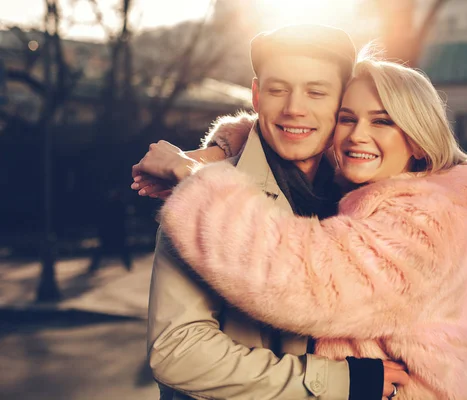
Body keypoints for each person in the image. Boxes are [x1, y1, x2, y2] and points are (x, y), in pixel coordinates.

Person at [157, 56, 467, 399]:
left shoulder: (429, 219)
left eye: (382, 121)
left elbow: (297, 277)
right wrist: (226, 149)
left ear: (419, 141)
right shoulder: (364, 190)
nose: (357, 136)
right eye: (347, 119)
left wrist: (195, 178)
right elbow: (296, 130)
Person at [138, 25, 407, 400]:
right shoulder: (200, 197)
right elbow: (178, 352)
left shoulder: (369, 190)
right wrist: (338, 382)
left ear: (342, 101)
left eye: (316, 92)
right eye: (277, 90)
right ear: (256, 95)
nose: (294, 108)